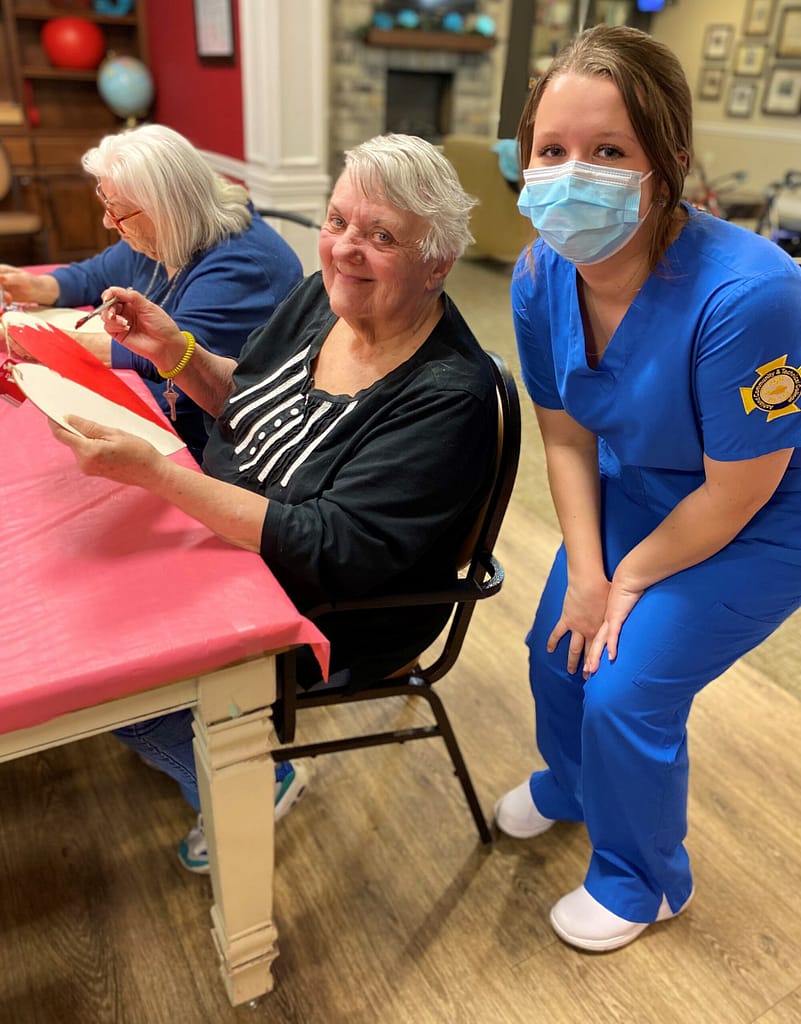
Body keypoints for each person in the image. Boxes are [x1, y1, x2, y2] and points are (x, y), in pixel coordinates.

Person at [48, 133, 499, 874]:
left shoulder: (447, 395)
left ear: (437, 264)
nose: (344, 250)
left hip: (320, 606)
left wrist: (161, 478)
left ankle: (247, 776)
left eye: (380, 235)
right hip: (238, 535)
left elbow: (329, 547)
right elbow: (247, 400)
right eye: (337, 222)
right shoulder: (319, 304)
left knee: (96, 663)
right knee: (79, 589)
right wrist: (175, 353)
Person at [495, 24, 801, 951]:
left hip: (759, 515)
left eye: (607, 151)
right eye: (552, 150)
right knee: (558, 647)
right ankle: (576, 786)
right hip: (638, 487)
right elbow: (564, 436)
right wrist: (588, 572)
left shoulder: (752, 292)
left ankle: (645, 880)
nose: (569, 172)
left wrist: (624, 583)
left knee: (625, 688)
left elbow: (740, 490)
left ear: (665, 165)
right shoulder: (540, 272)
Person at [0, 123, 303, 462]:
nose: (106, 222)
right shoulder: (162, 235)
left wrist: (40, 340)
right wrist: (33, 285)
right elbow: (96, 273)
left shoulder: (243, 267)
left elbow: (172, 358)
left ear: (165, 212)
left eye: (116, 210)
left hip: (213, 446)